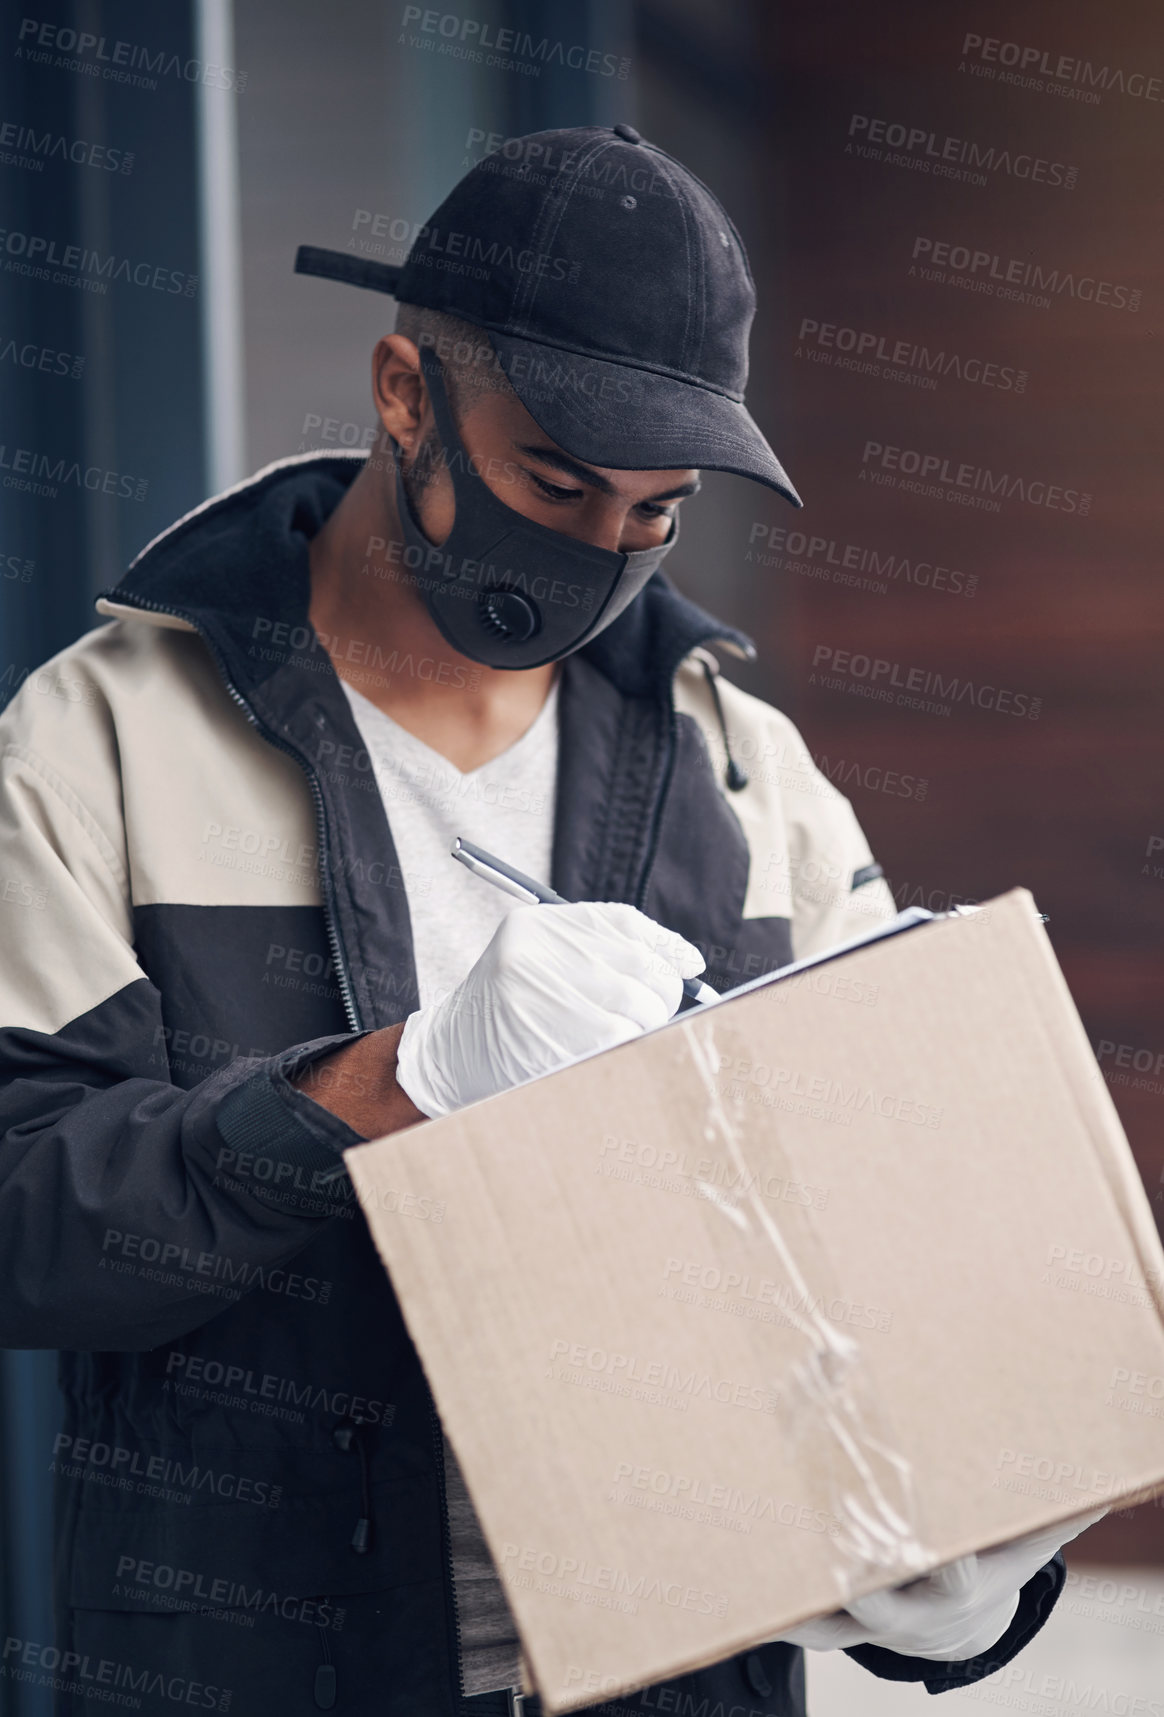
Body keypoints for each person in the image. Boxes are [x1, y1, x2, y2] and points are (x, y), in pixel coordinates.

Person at [0, 125, 1097, 1717]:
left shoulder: (744, 772)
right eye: (554, 482)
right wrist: (400, 1082)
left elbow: (883, 1263)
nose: (600, 554)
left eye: (653, 511)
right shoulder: (107, 737)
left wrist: (945, 1569)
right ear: (404, 394)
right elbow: (26, 1222)